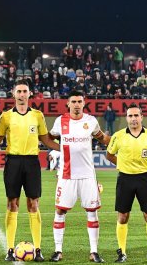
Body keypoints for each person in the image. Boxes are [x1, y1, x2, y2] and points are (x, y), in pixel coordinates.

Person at [0, 79, 59, 262]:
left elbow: (46, 140)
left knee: (33, 203)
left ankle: (37, 249)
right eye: (19, 91)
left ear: (30, 93)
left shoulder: (38, 115)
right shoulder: (6, 116)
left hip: (32, 162)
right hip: (13, 162)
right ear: (14, 94)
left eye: (25, 91)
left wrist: (65, 148)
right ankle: (9, 249)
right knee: (12, 203)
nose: (22, 94)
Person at [48, 91, 110, 263]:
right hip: (66, 175)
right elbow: (49, 137)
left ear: (84, 103)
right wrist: (57, 149)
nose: (76, 104)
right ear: (68, 103)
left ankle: (94, 252)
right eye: (73, 101)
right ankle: (58, 250)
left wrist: (119, 140)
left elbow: (102, 138)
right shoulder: (60, 121)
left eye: (79, 101)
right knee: (60, 210)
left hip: (87, 175)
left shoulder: (91, 121)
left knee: (92, 212)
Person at [106, 103, 147, 263]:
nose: (133, 119)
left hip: (144, 178)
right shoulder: (118, 136)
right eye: (130, 116)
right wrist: (122, 164)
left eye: (136, 115)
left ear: (141, 117)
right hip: (125, 179)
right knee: (123, 216)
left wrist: (141, 166)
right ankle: (122, 252)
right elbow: (109, 155)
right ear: (126, 118)